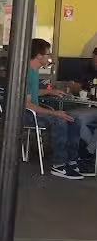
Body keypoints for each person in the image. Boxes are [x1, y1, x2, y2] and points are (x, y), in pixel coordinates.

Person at [25, 39, 87, 179]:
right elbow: (27, 104)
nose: (50, 57)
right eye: (48, 54)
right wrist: (55, 112)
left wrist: (49, 92)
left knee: (73, 119)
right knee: (60, 120)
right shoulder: (27, 73)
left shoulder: (34, 72)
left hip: (34, 111)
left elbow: (32, 94)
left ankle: (71, 161)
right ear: (39, 56)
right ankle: (59, 165)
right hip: (26, 114)